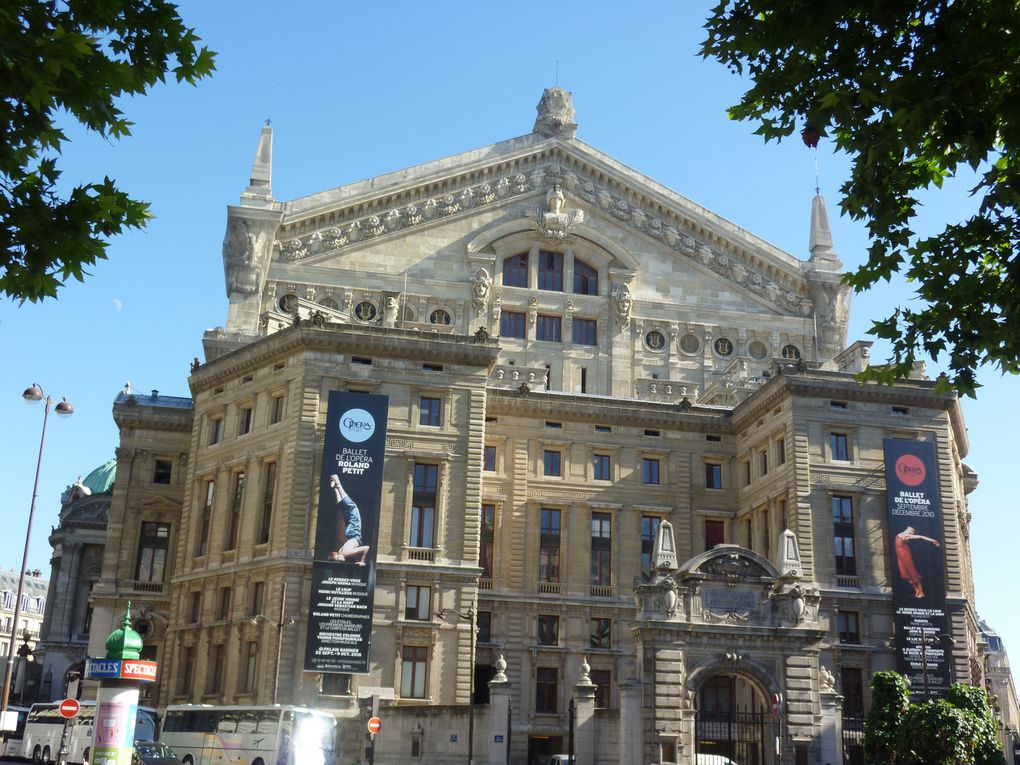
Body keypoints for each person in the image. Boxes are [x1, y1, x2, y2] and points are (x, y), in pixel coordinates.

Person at [328, 474, 370, 564]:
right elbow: (366, 548)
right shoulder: (344, 553)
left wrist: (361, 561)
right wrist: (360, 561)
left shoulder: (343, 553)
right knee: (346, 507)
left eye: (337, 559)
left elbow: (366, 548)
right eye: (338, 560)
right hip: (352, 533)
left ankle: (337, 483)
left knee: (350, 507)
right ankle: (336, 486)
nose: (339, 560)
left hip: (353, 533)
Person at [895, 526, 940, 598]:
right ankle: (917, 591)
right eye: (911, 530)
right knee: (906, 574)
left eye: (912, 531)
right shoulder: (900, 535)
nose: (911, 532)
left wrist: (932, 540)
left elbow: (921, 537)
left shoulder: (907, 536)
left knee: (912, 573)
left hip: (905, 556)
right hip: (900, 556)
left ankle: (921, 592)